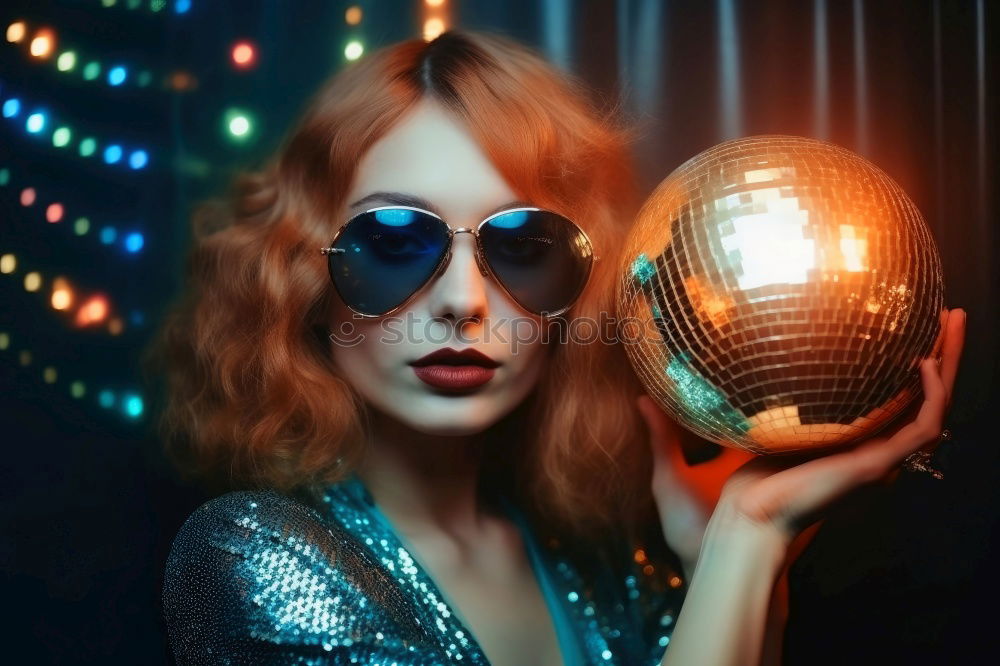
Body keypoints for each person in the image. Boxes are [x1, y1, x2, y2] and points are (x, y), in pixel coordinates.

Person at [153, 28, 966, 666]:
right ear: (303, 276)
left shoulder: (600, 562)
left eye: (523, 247)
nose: (464, 305)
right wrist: (746, 539)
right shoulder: (249, 556)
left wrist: (749, 559)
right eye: (394, 242)